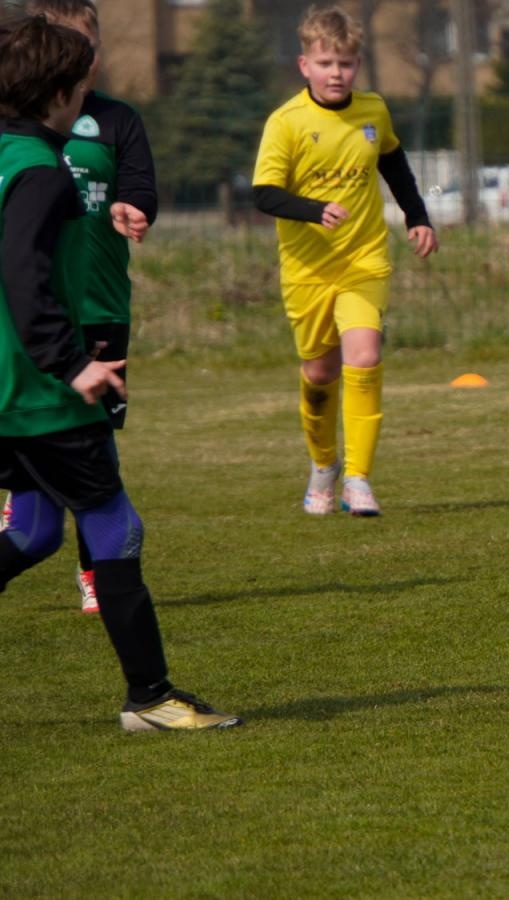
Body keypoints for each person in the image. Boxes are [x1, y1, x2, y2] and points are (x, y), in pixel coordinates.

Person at [0, 14, 240, 730]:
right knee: (114, 524)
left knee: (36, 531)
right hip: (41, 393)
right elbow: (22, 276)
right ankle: (151, 697)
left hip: (8, 389)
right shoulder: (41, 173)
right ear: (63, 93)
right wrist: (71, 364)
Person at [252, 5, 436, 517]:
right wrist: (313, 210)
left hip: (363, 259)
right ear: (304, 64)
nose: (338, 73)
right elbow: (264, 194)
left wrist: (417, 216)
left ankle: (359, 478)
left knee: (365, 356)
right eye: (327, 62)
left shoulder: (373, 111)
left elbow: (394, 163)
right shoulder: (286, 122)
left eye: (347, 63)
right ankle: (324, 464)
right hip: (308, 269)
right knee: (319, 372)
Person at [12, 0, 158, 615]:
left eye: (89, 43)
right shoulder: (23, 142)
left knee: (98, 444)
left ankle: (93, 570)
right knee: (64, 458)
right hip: (39, 319)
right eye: (69, 43)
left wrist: (133, 207)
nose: (83, 56)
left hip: (100, 306)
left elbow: (140, 187)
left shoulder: (115, 119)